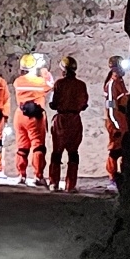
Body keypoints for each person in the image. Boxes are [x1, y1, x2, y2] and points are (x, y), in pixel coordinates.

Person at [48, 55, 89, 191]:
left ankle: (53, 183)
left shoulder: (59, 84)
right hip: (75, 120)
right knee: (73, 153)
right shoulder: (81, 85)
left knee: (56, 152)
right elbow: (84, 104)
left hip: (61, 121)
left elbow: (53, 104)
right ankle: (70, 185)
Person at [12, 52, 54, 186]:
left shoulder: (17, 82)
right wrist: (43, 69)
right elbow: (50, 84)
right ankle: (38, 176)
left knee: (22, 147)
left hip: (20, 115)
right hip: (35, 118)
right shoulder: (39, 82)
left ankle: (21, 175)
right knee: (38, 147)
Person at [104, 55, 130, 183]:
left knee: (123, 150)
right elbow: (110, 107)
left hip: (123, 122)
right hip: (116, 123)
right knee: (115, 151)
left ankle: (120, 176)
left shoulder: (120, 83)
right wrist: (116, 126)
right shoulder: (112, 84)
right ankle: (112, 177)